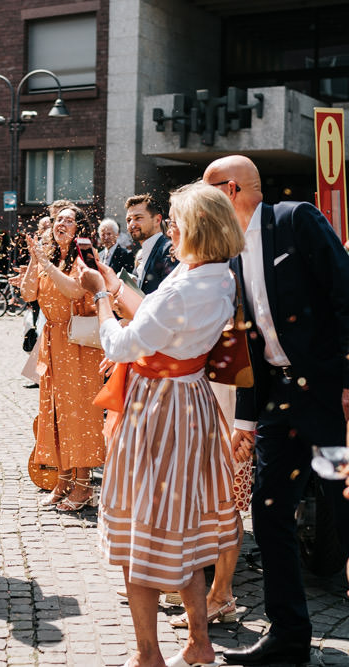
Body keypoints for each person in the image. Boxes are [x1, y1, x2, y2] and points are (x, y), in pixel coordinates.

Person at [81, 181, 245, 667]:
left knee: (141, 531)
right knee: (185, 528)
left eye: (175, 219)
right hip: (191, 401)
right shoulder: (218, 277)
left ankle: (147, 653)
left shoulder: (186, 285)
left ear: (192, 228)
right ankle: (198, 643)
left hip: (158, 408)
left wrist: (100, 298)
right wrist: (116, 283)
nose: (170, 226)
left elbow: (121, 346)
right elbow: (162, 324)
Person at [202, 156, 349, 666]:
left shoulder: (295, 219)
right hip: (279, 407)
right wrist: (244, 422)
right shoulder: (235, 255)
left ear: (232, 188)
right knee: (268, 514)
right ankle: (289, 635)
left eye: (208, 194)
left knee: (341, 502)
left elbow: (345, 294)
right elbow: (247, 346)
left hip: (328, 403)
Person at [19, 205, 106, 511]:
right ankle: (64, 480)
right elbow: (29, 294)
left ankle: (83, 487)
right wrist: (35, 259)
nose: (62, 223)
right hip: (54, 341)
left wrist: (46, 262)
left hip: (80, 343)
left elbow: (72, 291)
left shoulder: (84, 256)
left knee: (79, 413)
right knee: (55, 412)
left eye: (70, 220)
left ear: (79, 228)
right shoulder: (47, 257)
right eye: (59, 219)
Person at [125, 194, 178, 294]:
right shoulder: (140, 255)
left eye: (138, 218)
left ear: (157, 220)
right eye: (128, 220)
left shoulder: (169, 249)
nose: (132, 224)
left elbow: (170, 296)